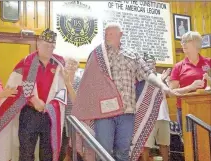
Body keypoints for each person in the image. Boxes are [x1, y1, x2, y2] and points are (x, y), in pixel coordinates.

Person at [71, 22, 179, 161]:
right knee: (103, 151)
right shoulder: (98, 55)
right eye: (106, 33)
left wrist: (163, 86)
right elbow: (88, 82)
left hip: (127, 111)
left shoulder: (132, 54)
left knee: (123, 151)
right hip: (104, 113)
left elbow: (147, 73)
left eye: (111, 33)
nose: (107, 36)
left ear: (120, 35)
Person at [0, 29, 68, 161]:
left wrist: (51, 105)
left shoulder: (60, 64)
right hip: (29, 114)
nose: (50, 49)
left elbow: (63, 90)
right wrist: (32, 99)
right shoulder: (25, 63)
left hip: (50, 115)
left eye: (52, 46)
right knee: (26, 152)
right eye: (47, 45)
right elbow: (14, 87)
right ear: (38, 44)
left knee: (47, 153)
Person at [169, 31, 211, 132]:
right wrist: (191, 87)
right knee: (188, 142)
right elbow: (171, 92)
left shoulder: (209, 62)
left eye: (186, 41)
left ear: (196, 44)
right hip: (185, 109)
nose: (183, 44)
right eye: (182, 41)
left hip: (207, 107)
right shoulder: (178, 66)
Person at [136, 56, 171, 161]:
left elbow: (169, 94)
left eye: (152, 63)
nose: (150, 65)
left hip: (163, 116)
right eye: (148, 63)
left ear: (155, 64)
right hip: (147, 117)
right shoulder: (141, 78)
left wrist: (164, 81)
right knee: (146, 146)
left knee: (164, 145)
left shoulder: (162, 76)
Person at [59, 57, 83, 161]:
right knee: (61, 146)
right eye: (68, 63)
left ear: (77, 67)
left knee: (74, 146)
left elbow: (76, 101)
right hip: (60, 115)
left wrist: (68, 84)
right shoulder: (59, 78)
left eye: (74, 64)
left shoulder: (79, 80)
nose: (70, 66)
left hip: (73, 117)